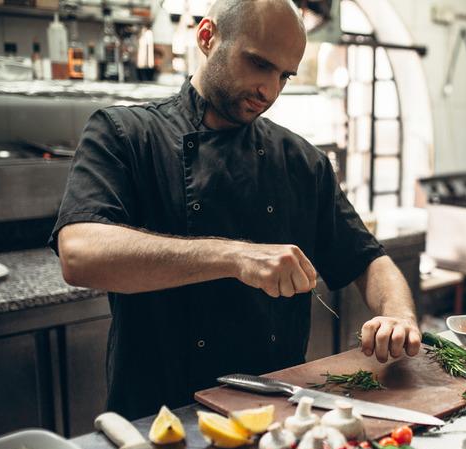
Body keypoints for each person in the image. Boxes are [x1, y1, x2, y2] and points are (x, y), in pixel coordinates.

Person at [50, 0, 420, 420]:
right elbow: (79, 254)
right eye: (259, 64)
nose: (270, 90)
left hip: (273, 415)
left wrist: (398, 315)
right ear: (208, 37)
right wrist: (237, 257)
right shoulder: (125, 134)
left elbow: (368, 258)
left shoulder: (301, 161)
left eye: (284, 75)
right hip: (158, 416)